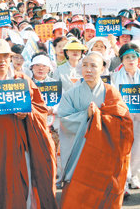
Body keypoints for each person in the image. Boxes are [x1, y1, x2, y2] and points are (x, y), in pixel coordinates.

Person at [0, 39, 57, 208]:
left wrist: (28, 113)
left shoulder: (23, 80)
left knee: (20, 183)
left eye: (5, 56)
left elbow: (41, 108)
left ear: (11, 59)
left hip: (18, 143)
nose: (2, 61)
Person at [59, 52, 133, 208]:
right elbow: (64, 119)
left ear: (102, 69)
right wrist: (86, 115)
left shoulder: (111, 92)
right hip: (80, 151)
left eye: (93, 66)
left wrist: (99, 116)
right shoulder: (71, 94)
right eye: (85, 65)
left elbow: (124, 121)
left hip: (104, 152)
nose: (88, 69)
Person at [111, 43, 140, 189]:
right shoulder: (115, 77)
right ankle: (125, 179)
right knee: (123, 149)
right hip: (122, 118)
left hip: (139, 118)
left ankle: (135, 176)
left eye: (134, 57)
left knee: (137, 149)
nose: (131, 60)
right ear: (121, 60)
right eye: (127, 57)